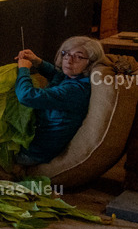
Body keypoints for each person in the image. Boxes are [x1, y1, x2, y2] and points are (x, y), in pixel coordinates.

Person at [13, 36, 103, 165]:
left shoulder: (76, 90)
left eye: (78, 57)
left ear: (91, 63)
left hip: (34, 153)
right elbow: (57, 75)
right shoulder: (75, 77)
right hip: (35, 138)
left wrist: (24, 69)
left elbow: (26, 96)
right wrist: (37, 61)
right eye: (65, 53)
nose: (68, 60)